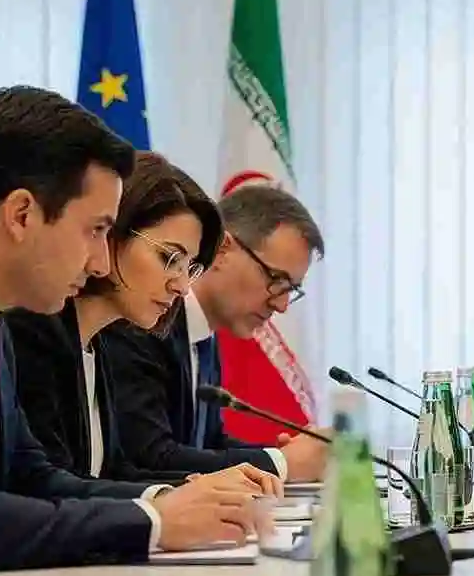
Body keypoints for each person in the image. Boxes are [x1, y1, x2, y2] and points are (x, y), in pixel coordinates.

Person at [0, 86, 273, 576]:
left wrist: (167, 502)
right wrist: (153, 521)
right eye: (95, 231)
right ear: (22, 214)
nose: (98, 261)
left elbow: (32, 476)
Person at [6, 151, 227, 482]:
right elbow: (43, 486)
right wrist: (166, 501)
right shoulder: (31, 331)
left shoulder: (99, 342)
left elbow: (112, 471)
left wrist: (193, 489)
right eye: (169, 257)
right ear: (111, 233)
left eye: (190, 268)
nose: (181, 286)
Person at [101, 184, 328, 481]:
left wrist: (291, 458)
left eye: (291, 290)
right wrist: (280, 463)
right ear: (222, 249)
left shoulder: (203, 333)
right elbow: (149, 457)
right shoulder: (143, 324)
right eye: (276, 279)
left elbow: (208, 444)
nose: (282, 305)